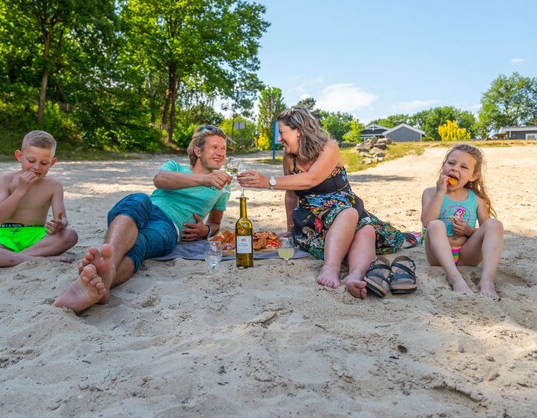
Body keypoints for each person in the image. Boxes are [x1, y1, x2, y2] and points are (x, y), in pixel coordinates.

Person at [54, 125, 232, 313]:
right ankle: (108, 268)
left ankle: (104, 277)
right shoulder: (175, 167)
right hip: (144, 210)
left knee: (140, 243)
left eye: (224, 149)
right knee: (139, 198)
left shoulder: (223, 188)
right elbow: (160, 180)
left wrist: (207, 231)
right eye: (214, 147)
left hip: (169, 226)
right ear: (198, 150)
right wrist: (205, 179)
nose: (220, 153)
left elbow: (215, 224)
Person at [237, 107, 409, 299]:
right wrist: (290, 226)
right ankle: (331, 268)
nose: (279, 139)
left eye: (282, 133)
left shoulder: (329, 147)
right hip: (312, 219)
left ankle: (355, 275)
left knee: (365, 228)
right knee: (352, 216)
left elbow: (311, 179)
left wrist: (267, 181)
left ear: (298, 131)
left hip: (345, 208)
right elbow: (291, 194)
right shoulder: (289, 158)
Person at [0, 130, 78, 269]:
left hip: (37, 237)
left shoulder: (54, 185)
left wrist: (60, 224)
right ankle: (35, 258)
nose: (36, 167)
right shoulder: (5, 179)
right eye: (31, 160)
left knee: (70, 235)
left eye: (44, 163)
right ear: (19, 156)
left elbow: (62, 218)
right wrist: (21, 190)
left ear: (52, 162)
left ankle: (7, 259)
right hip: (3, 237)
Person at [421, 144, 503, 299]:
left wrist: (469, 231)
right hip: (438, 256)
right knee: (436, 224)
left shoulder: (477, 198)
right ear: (443, 165)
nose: (455, 169)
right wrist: (440, 193)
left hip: (467, 254)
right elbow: (427, 222)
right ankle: (455, 278)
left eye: (464, 167)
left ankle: (487, 281)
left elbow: (487, 231)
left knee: (495, 225)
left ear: (474, 176)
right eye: (451, 163)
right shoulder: (431, 193)